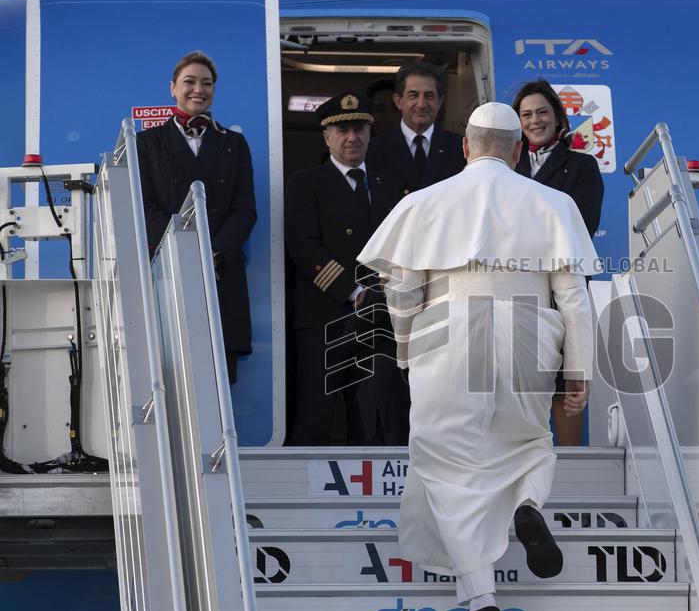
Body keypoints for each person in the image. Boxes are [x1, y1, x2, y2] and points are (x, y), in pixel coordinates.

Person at [358, 102, 600, 611]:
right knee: (530, 443)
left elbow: (401, 291)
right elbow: (575, 300)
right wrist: (578, 369)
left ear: (465, 147)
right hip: (531, 332)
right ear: (518, 151)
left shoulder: (423, 202)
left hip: (448, 331)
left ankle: (483, 599)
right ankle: (529, 505)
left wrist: (405, 350)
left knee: (445, 466)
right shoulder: (554, 203)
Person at [284, 92, 406, 446]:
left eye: (359, 129)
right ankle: (306, 499)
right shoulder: (306, 183)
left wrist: (386, 291)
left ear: (370, 133)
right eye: (342, 130)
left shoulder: (390, 187)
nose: (351, 137)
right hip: (325, 319)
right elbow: (304, 248)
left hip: (379, 321)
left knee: (370, 420)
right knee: (315, 417)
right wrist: (353, 291)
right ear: (327, 137)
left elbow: (400, 248)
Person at [137, 50, 256, 382]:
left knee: (217, 378)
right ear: (173, 87)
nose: (197, 89)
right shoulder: (147, 143)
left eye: (206, 83)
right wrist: (186, 250)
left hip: (221, 272)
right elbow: (144, 208)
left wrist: (212, 253)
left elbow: (245, 211)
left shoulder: (234, 143)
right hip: (169, 267)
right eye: (189, 81)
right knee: (168, 372)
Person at [512, 79, 604, 446]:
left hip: (561, 289)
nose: (535, 121)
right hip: (515, 293)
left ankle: (568, 477)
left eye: (542, 113)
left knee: (565, 385)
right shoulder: (505, 167)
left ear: (558, 117)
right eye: (526, 114)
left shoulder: (582, 165)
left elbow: (582, 227)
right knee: (518, 389)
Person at [365, 61, 465, 193]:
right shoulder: (373, 150)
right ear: (399, 101)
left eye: (429, 96)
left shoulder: (460, 148)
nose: (421, 104)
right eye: (413, 95)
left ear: (440, 102)